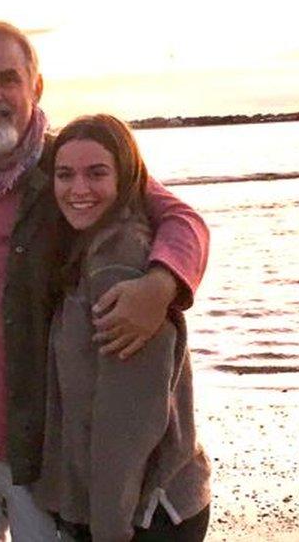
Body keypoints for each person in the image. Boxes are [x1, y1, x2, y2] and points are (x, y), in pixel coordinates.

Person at [0, 19, 210, 541]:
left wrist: (163, 283)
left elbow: (182, 219)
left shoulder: (75, 165)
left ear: (36, 86)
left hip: (46, 457)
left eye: (7, 79)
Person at [33, 114, 211, 542]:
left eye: (97, 174)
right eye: (64, 175)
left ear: (126, 176)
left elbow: (127, 422)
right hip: (116, 505)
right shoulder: (88, 243)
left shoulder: (121, 263)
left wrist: (108, 529)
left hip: (144, 515)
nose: (78, 189)